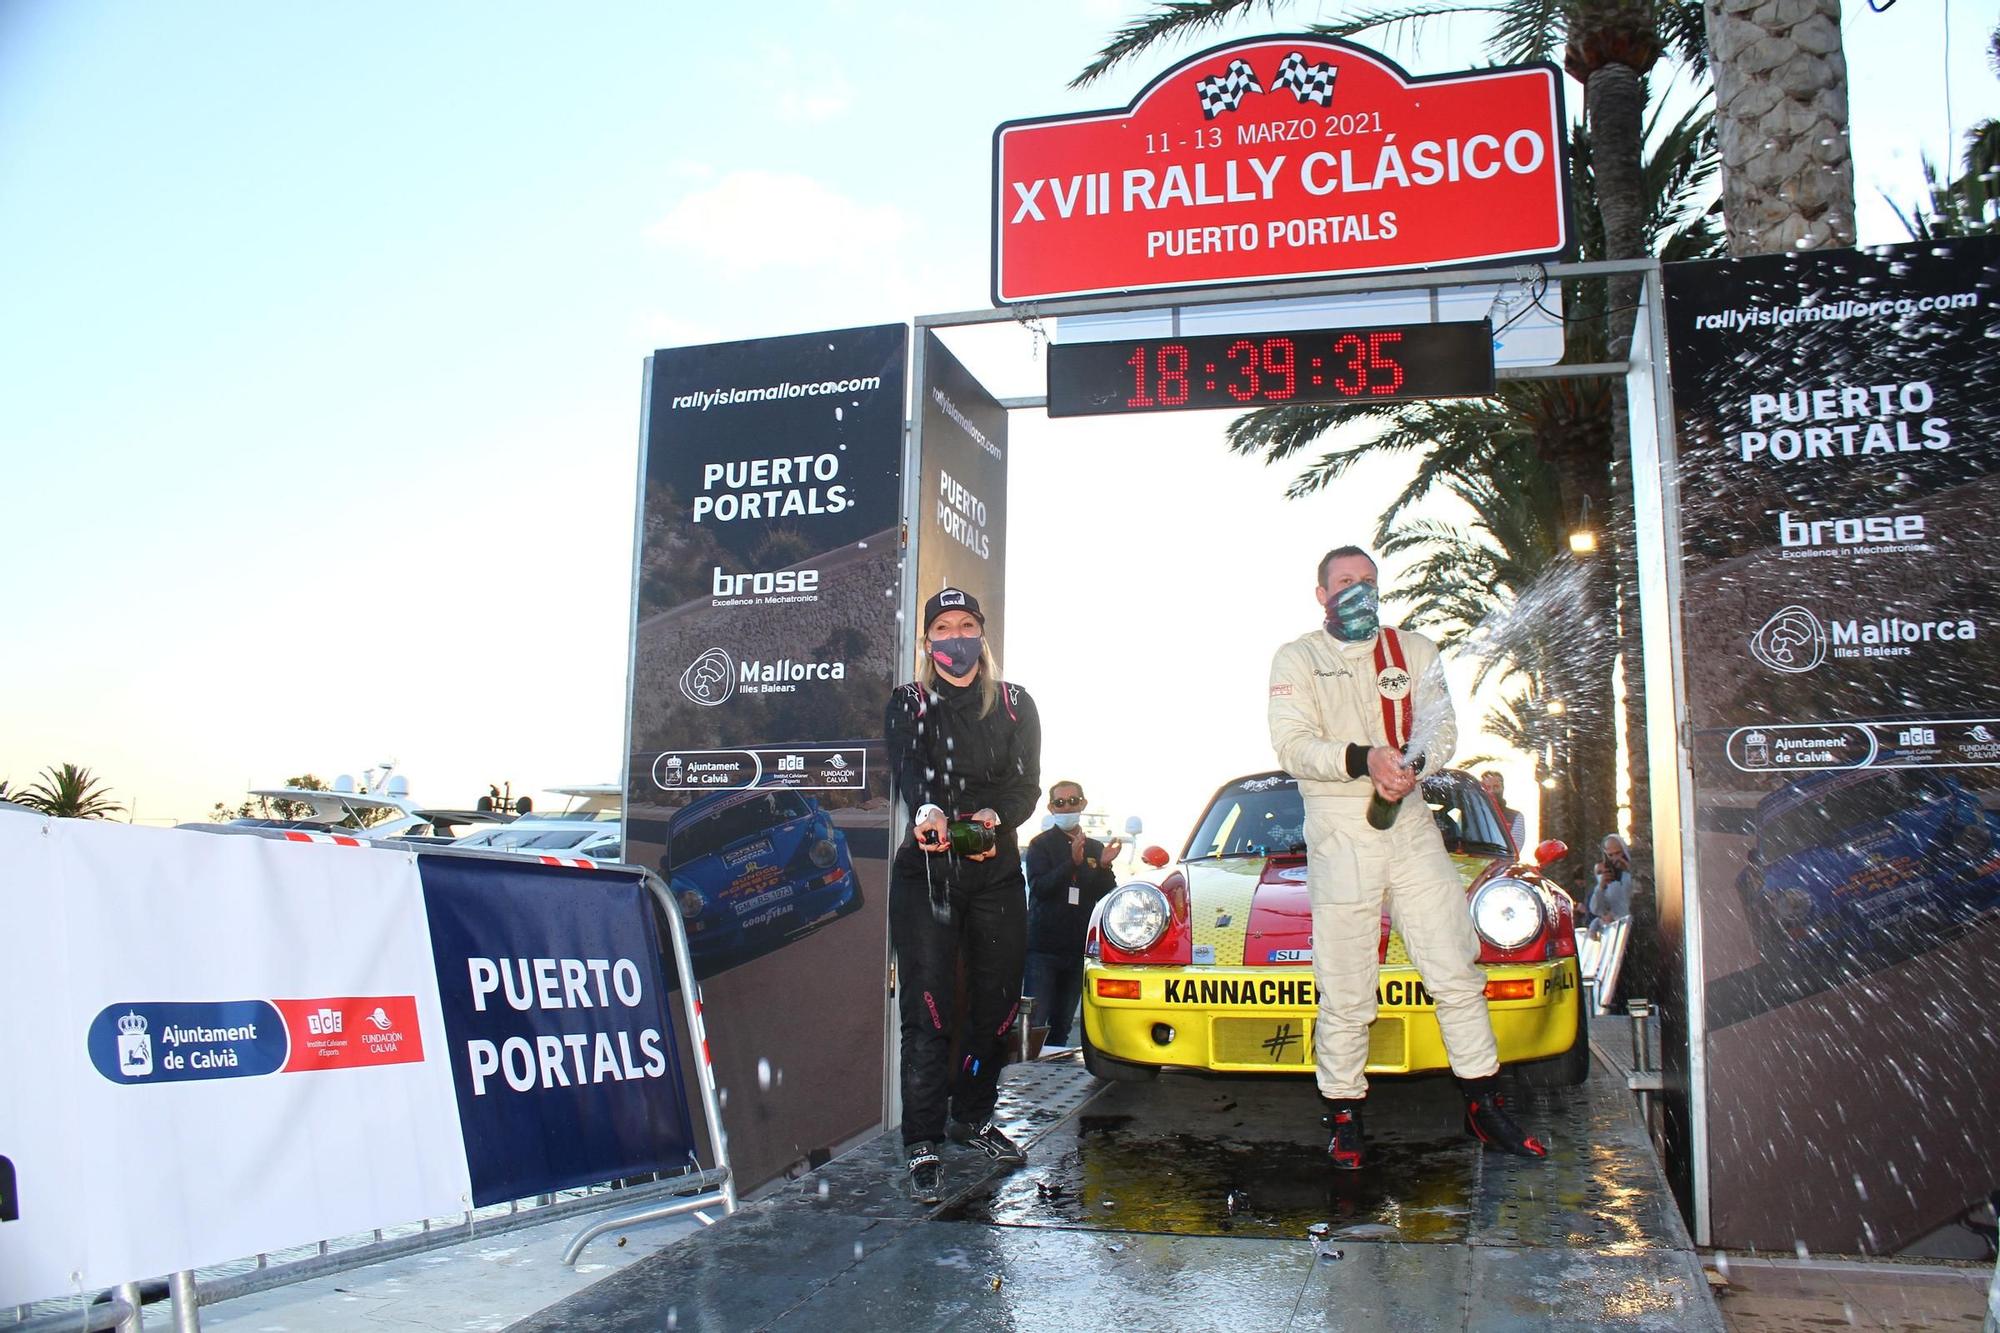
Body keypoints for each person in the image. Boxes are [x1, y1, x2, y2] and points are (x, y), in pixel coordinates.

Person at [1267, 545, 1548, 1170]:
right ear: (1321, 594)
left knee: (1453, 962)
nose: (1357, 590)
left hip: (1412, 827)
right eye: (1344, 582)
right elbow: (1292, 744)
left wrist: (1411, 766)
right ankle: (1343, 1111)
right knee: (1344, 981)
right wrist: (1364, 759)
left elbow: (1441, 727)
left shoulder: (1414, 651)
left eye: (1367, 580)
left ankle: (1483, 1098)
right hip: (1340, 834)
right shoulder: (1298, 658)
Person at [884, 587, 1041, 1204]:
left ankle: (971, 1116)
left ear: (983, 633)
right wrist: (932, 813)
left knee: (997, 1007)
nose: (956, 636)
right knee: (929, 1012)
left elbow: (1025, 787)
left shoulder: (1015, 702)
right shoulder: (910, 701)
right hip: (928, 876)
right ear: (928, 641)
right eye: (943, 627)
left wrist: (990, 822)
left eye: (966, 625)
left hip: (997, 876)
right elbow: (908, 772)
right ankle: (921, 1141)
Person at [1023, 781, 1121, 1047]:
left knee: (1063, 1025)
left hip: (1078, 951)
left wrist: (1102, 866)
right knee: (1035, 1024)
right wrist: (1072, 864)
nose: (1067, 807)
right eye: (1060, 802)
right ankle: (1029, 1080)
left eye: (1073, 801)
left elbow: (1107, 894)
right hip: (1043, 950)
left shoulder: (1094, 847)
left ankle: (1052, 1073)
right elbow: (1040, 888)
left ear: (1083, 804)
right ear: (1051, 808)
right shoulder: (1040, 845)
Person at [1589, 834, 1633, 929]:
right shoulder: (1606, 876)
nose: (1615, 858)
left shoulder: (1633, 872)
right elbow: (1597, 910)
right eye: (1610, 855)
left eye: (1618, 853)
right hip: (1617, 930)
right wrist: (1601, 887)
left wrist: (1630, 870)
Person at [1481, 770, 1529, 851]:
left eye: (1496, 787)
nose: (1491, 791)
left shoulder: (1516, 817)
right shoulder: (1471, 816)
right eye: (1487, 787)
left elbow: (1514, 851)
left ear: (1503, 788)